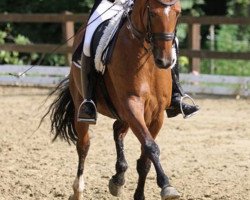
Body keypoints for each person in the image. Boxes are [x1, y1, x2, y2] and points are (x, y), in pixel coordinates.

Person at [77, 0, 199, 124]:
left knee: (171, 40)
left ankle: (176, 95)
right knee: (87, 43)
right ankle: (88, 101)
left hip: (139, 5)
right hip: (109, 4)